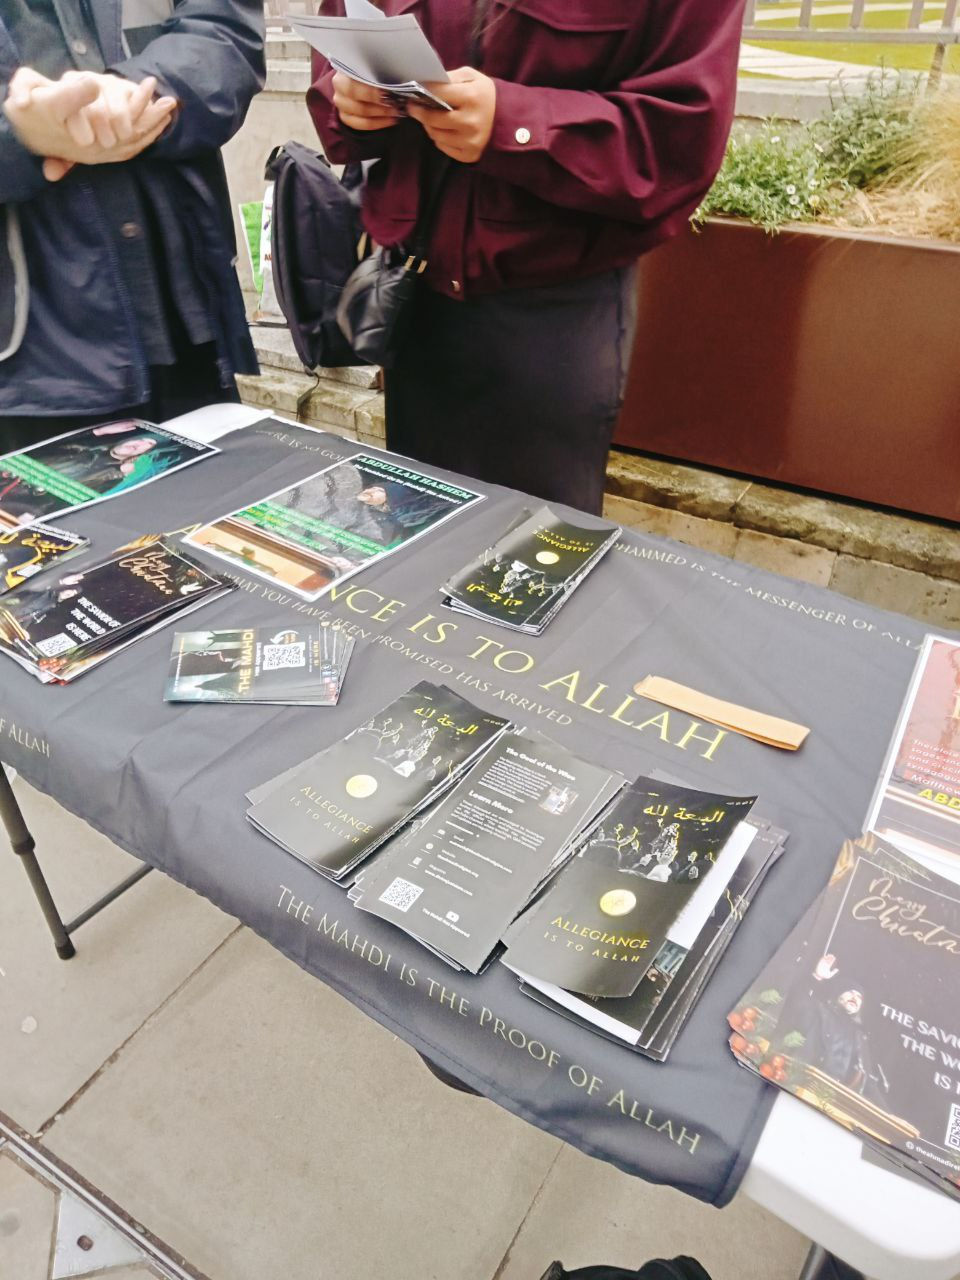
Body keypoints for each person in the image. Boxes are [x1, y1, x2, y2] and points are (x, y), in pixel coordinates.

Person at [308, 0, 745, 514]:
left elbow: (680, 141)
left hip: (553, 316)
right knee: (414, 528)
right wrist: (349, 97)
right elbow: (338, 43)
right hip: (412, 303)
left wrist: (516, 124)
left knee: (532, 547)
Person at [0, 0, 266, 453]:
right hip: (25, 362)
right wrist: (19, 133)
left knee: (213, 492)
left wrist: (132, 94)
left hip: (183, 316)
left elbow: (223, 30)